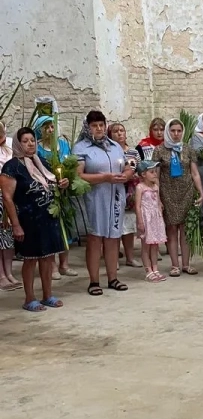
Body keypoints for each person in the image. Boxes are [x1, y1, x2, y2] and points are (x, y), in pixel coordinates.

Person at [0, 127, 70, 310]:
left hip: (48, 217)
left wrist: (62, 184)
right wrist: (16, 225)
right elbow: (7, 198)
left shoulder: (42, 162)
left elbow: (52, 183)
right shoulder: (12, 166)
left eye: (32, 140)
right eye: (25, 141)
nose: (30, 144)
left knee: (48, 258)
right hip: (28, 219)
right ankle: (29, 298)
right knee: (30, 259)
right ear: (18, 143)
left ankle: (48, 295)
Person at [74, 111, 133, 296]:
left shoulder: (114, 146)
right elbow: (78, 175)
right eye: (94, 125)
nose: (98, 129)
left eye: (101, 125)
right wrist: (104, 177)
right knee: (95, 239)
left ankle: (112, 278)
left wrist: (127, 175)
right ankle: (93, 281)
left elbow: (128, 165)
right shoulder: (81, 147)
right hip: (95, 198)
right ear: (88, 127)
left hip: (115, 197)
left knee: (113, 238)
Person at [152, 119, 203, 276]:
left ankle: (186, 264)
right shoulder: (159, 150)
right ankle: (175, 265)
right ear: (169, 131)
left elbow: (194, 172)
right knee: (172, 229)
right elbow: (156, 176)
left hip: (186, 192)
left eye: (179, 131)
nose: (176, 134)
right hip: (168, 193)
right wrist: (158, 197)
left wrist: (200, 191)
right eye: (173, 131)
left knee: (186, 229)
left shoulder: (188, 149)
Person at [33, 115, 78, 279]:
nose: (50, 130)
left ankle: (64, 264)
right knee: (51, 230)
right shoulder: (37, 149)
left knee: (66, 228)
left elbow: (71, 166)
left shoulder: (64, 145)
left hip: (64, 193)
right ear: (39, 130)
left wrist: (67, 179)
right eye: (46, 127)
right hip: (47, 194)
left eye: (52, 127)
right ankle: (52, 266)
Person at [108, 122, 143, 268]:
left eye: (122, 130)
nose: (119, 133)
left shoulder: (133, 152)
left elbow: (141, 169)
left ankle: (130, 257)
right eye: (115, 131)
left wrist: (135, 176)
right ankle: (113, 259)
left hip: (130, 193)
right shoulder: (109, 151)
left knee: (128, 228)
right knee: (115, 226)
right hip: (114, 192)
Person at [135, 160, 167, 283]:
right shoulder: (140, 187)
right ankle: (148, 271)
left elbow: (158, 202)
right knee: (146, 246)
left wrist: (160, 214)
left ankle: (155, 269)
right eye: (151, 172)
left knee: (155, 245)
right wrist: (140, 221)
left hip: (155, 218)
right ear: (143, 174)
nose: (155, 174)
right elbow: (138, 206)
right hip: (146, 218)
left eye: (155, 172)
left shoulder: (155, 186)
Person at [0, 121, 20, 291]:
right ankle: (1, 275)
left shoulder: (8, 148)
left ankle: (9, 272)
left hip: (8, 197)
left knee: (7, 238)